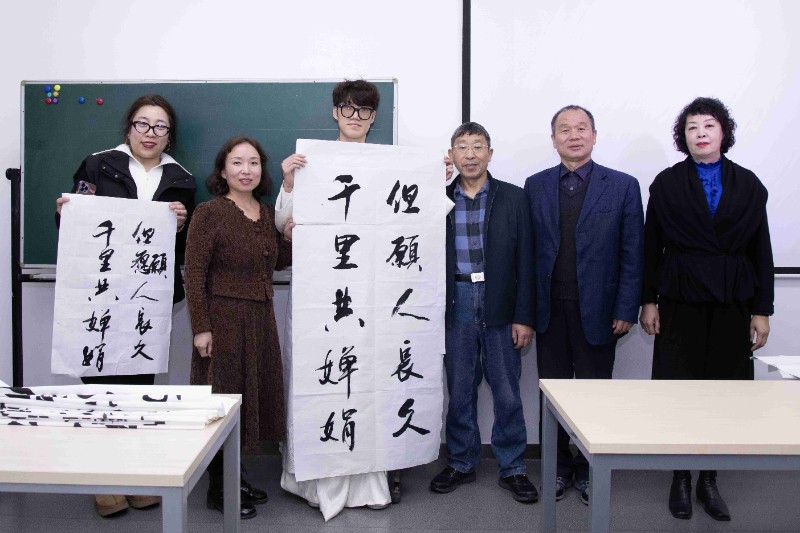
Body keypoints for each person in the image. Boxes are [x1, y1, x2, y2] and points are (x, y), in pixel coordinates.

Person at [55, 94, 195, 517]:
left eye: (160, 127)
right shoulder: (98, 164)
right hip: (99, 292)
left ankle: (133, 476)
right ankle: (103, 481)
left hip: (146, 300)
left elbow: (183, 248)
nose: (150, 133)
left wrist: (181, 224)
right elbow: (72, 224)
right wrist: (65, 212)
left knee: (137, 389)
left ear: (170, 135)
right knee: (100, 386)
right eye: (143, 124)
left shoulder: (181, 179)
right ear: (129, 127)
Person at [639, 97, 773, 522]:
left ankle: (709, 479)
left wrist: (762, 309)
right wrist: (648, 300)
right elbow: (651, 246)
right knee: (678, 388)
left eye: (708, 125)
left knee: (723, 392)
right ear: (684, 136)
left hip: (733, 300)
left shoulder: (749, 184)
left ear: (723, 132)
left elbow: (761, 250)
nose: (700, 133)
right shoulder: (666, 183)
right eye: (692, 127)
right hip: (680, 298)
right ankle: (680, 476)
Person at [275, 79, 394, 520]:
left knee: (363, 379)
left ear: (374, 117)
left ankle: (367, 477)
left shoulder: (386, 163)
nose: (355, 117)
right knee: (319, 378)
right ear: (334, 112)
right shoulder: (311, 161)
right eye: (347, 108)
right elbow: (283, 223)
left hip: (368, 294)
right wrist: (289, 182)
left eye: (364, 111)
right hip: (320, 292)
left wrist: (434, 178)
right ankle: (313, 478)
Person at [524, 105, 643, 505]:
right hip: (549, 311)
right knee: (554, 397)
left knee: (596, 397)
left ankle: (592, 471)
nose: (573, 136)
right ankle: (558, 469)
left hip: (600, 311)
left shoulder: (623, 185)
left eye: (581, 129)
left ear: (594, 135)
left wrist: (626, 308)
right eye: (564, 129)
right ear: (553, 139)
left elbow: (632, 252)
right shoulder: (535, 185)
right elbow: (528, 253)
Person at [429, 121, 538, 504]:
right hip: (456, 299)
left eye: (478, 147)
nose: (470, 155)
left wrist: (524, 316)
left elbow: (527, 260)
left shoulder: (514, 197)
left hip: (500, 299)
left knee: (507, 390)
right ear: (451, 155)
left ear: (490, 153)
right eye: (462, 147)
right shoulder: (437, 199)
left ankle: (513, 467)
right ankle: (461, 461)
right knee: (459, 388)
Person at [184, 136, 292, 520]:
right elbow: (194, 273)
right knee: (222, 399)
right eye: (237, 162)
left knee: (249, 398)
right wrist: (201, 328)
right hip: (223, 319)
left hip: (261, 318)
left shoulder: (266, 213)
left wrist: (288, 237)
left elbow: (277, 262)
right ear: (223, 170)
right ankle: (219, 488)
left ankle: (236, 475)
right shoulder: (209, 213)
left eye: (253, 163)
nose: (246, 170)